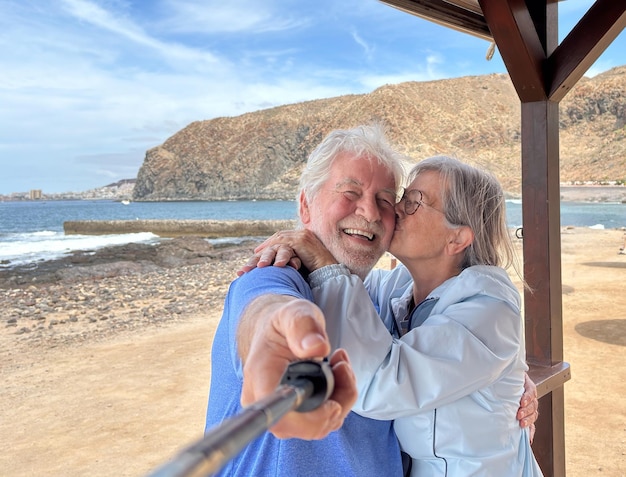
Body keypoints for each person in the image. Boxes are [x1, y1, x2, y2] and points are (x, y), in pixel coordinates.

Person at [205, 125, 538, 476]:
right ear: (305, 205)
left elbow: (393, 378)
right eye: (350, 192)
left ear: (457, 239)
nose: (375, 212)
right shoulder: (277, 275)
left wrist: (511, 377)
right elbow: (264, 306)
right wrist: (269, 331)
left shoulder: (399, 300)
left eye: (393, 200)